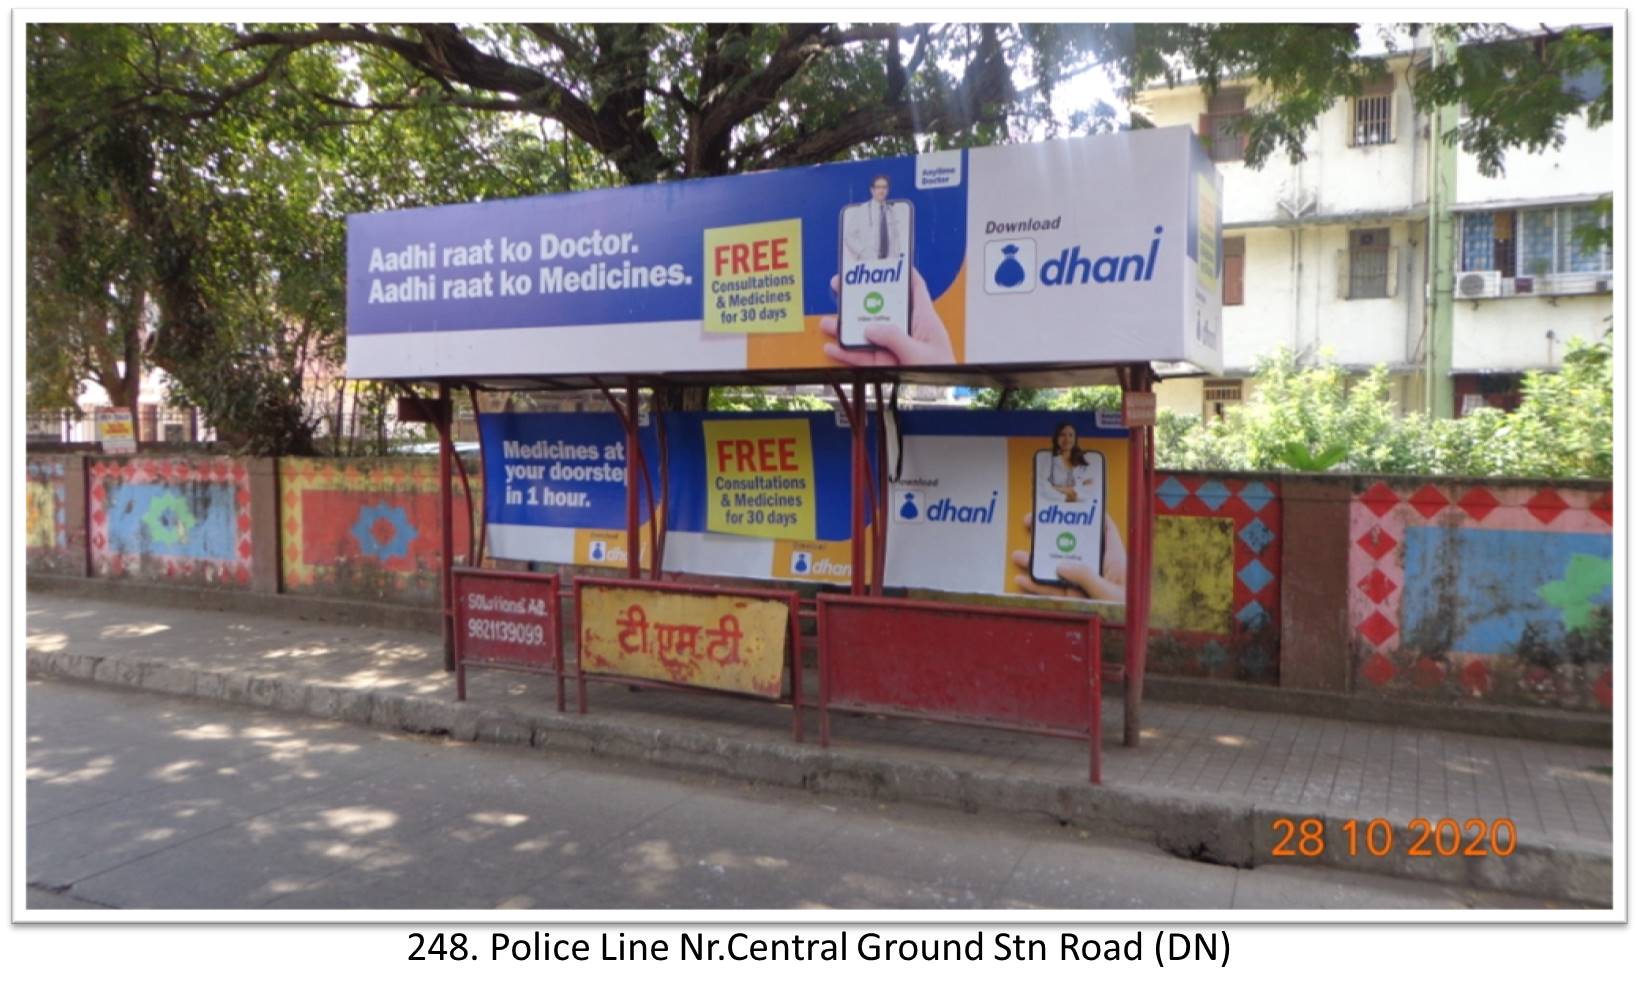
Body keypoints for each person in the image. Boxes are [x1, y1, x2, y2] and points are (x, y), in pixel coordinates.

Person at [842, 174, 902, 263]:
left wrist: (896, 256)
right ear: (872, 190)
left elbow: (896, 237)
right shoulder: (862, 210)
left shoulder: (891, 211)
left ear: (888, 190)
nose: (881, 191)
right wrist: (863, 252)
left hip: (890, 263)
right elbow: (849, 236)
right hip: (868, 262)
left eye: (884, 187)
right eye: (878, 187)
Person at [1040, 422, 1094, 504]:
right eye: (1062, 435)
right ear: (1056, 438)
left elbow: (1090, 487)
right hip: (1053, 507)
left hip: (1081, 509)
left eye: (1071, 435)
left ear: (1075, 439)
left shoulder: (1083, 460)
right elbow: (1042, 487)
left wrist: (1058, 488)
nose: (1067, 439)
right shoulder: (1048, 459)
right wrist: (1064, 495)